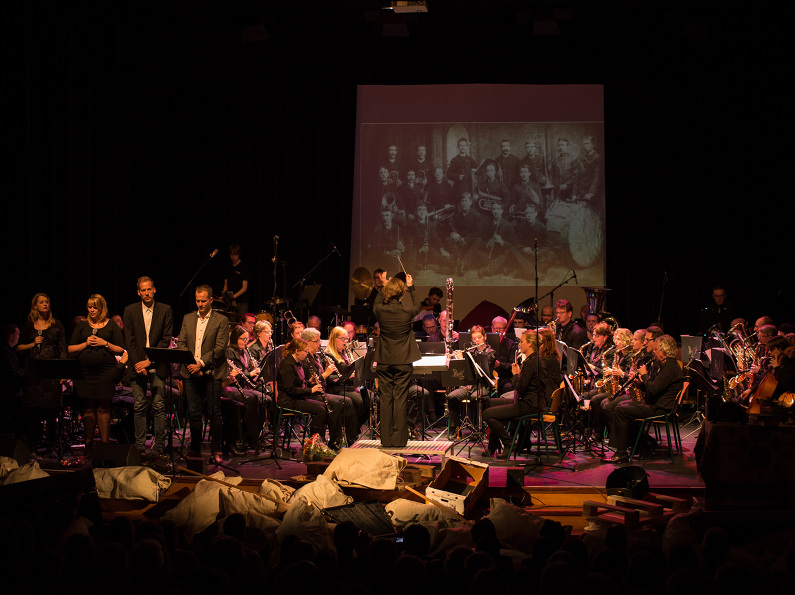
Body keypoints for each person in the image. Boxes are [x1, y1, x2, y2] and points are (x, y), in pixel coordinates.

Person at [606, 334, 683, 463]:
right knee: (621, 407)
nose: (654, 351)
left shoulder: (669, 367)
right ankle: (642, 447)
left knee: (620, 410)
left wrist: (645, 375)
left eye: (656, 349)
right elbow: (653, 388)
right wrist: (640, 384)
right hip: (655, 404)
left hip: (661, 409)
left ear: (664, 351)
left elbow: (654, 389)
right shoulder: (663, 364)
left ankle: (622, 452)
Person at [176, 285, 230, 463]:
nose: (200, 304)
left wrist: (200, 364)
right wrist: (191, 364)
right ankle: (195, 449)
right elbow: (181, 343)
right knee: (194, 412)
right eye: (197, 301)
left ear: (211, 300)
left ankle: (216, 450)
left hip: (212, 372)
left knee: (214, 412)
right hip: (190, 371)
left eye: (203, 301)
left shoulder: (221, 320)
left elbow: (220, 348)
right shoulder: (188, 318)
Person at [122, 276, 173, 456]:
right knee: (139, 405)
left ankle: (159, 446)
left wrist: (149, 361)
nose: (146, 293)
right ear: (138, 292)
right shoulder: (130, 310)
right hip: (137, 364)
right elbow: (129, 341)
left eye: (149, 289)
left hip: (157, 363)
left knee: (158, 405)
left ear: (154, 290)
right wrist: (138, 363)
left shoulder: (165, 309)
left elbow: (166, 338)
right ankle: (140, 447)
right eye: (143, 290)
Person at [68, 294, 126, 452]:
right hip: (85, 373)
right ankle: (88, 445)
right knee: (88, 409)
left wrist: (104, 343)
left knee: (102, 408)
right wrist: (85, 344)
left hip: (105, 372)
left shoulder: (111, 325)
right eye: (90, 307)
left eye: (95, 307)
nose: (92, 310)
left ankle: (104, 447)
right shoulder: (82, 325)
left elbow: (120, 349)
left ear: (102, 308)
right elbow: (70, 349)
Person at [482, 331, 550, 458]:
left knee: (487, 414)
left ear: (530, 344)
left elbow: (520, 388)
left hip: (530, 405)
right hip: (528, 402)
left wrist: (515, 375)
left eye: (522, 341)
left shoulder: (532, 362)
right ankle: (493, 445)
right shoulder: (533, 360)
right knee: (490, 402)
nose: (519, 344)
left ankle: (508, 443)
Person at [373, 273, 422, 447]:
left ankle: (386, 440)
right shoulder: (407, 311)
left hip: (384, 360)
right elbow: (418, 305)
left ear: (387, 292)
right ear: (401, 293)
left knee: (386, 398)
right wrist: (411, 287)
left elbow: (376, 303)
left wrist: (384, 285)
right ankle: (399, 440)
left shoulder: (380, 310)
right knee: (400, 398)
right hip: (403, 361)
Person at [16, 293, 67, 453]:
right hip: (33, 374)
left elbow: (62, 349)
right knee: (33, 413)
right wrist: (32, 344)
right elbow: (19, 347)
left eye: (47, 301)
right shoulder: (28, 325)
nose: (45, 304)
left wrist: (63, 372)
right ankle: (32, 447)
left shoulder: (56, 324)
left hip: (51, 373)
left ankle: (51, 447)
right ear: (35, 306)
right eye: (41, 302)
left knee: (52, 412)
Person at [302, 327, 359, 448]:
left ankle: (346, 438)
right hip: (310, 393)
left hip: (320, 391)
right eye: (316, 341)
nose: (319, 344)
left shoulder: (316, 357)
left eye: (319, 341)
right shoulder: (304, 359)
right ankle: (335, 441)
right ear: (307, 342)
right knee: (339, 403)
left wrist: (328, 368)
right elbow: (309, 383)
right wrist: (326, 373)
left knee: (346, 401)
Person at [276, 338, 329, 443]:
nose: (306, 354)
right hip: (288, 401)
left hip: (297, 398)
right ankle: (314, 441)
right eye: (305, 351)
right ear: (297, 351)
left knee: (325, 407)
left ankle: (321, 439)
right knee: (320, 410)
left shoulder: (298, 363)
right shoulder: (287, 365)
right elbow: (290, 389)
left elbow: (298, 384)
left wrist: (309, 382)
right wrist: (311, 390)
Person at [223, 325, 265, 454]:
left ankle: (253, 435)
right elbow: (231, 374)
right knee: (251, 398)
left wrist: (253, 371)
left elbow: (245, 371)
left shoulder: (245, 351)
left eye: (247, 339)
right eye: (243, 339)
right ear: (235, 339)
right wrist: (249, 374)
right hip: (230, 386)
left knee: (263, 398)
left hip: (243, 385)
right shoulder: (230, 351)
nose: (246, 342)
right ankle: (253, 437)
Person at [447, 326, 496, 435]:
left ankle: (476, 430)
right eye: (474, 338)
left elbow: (480, 370)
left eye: (479, 337)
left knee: (475, 397)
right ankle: (456, 429)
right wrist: (455, 359)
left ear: (485, 337)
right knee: (452, 396)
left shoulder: (491, 353)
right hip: (469, 386)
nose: (477, 341)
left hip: (483, 386)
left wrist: (463, 360)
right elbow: (461, 372)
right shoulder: (470, 352)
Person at [1, 323, 23, 436]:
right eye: (18, 334)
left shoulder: (11, 351)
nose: (19, 337)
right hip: (8, 393)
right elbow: (12, 372)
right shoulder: (5, 351)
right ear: (11, 336)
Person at [222, 243, 250, 320]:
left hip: (242, 302)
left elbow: (244, 288)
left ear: (239, 254)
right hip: (231, 303)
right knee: (232, 323)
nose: (233, 257)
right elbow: (225, 285)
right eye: (231, 255)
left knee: (243, 323)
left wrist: (233, 297)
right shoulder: (228, 267)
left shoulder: (244, 267)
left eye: (235, 255)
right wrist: (224, 295)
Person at [492, 316, 518, 394]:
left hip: (504, 377)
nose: (497, 331)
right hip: (490, 377)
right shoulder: (487, 342)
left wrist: (500, 365)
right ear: (492, 328)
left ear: (505, 329)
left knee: (508, 386)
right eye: (495, 328)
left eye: (500, 328)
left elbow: (512, 365)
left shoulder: (511, 344)